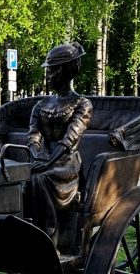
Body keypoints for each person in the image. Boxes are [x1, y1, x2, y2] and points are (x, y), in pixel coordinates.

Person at [27, 42, 92, 244]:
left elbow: (70, 140)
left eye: (51, 70)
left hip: (66, 164)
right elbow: (34, 134)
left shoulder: (82, 104)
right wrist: (36, 156)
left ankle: (49, 234)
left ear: (64, 71)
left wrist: (46, 163)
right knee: (12, 175)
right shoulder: (41, 105)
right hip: (43, 159)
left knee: (39, 178)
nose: (47, 75)